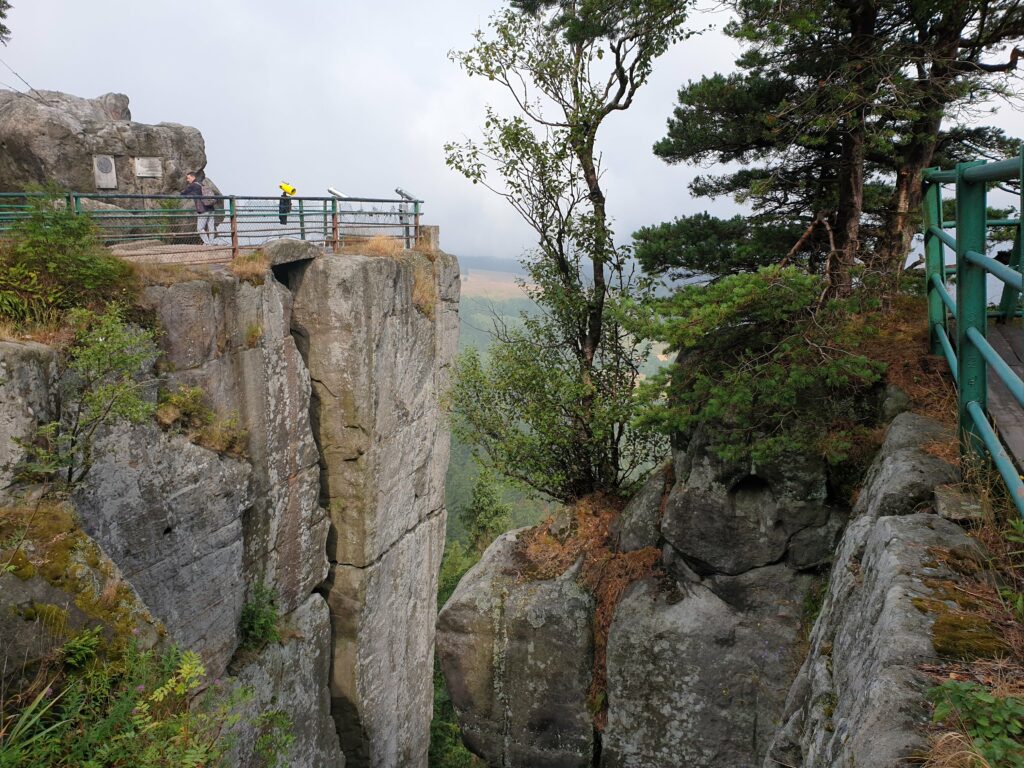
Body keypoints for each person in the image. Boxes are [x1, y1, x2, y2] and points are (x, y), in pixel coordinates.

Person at [181, 171, 215, 245]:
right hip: (211, 207)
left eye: (188, 178)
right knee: (211, 227)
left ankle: (207, 243)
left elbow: (183, 193)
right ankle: (211, 243)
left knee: (199, 228)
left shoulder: (193, 185)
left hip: (203, 209)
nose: (187, 180)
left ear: (193, 177)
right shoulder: (202, 184)